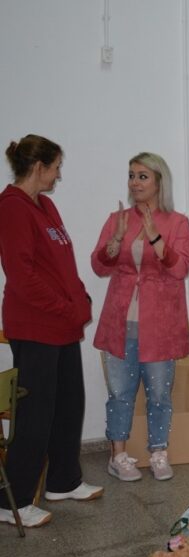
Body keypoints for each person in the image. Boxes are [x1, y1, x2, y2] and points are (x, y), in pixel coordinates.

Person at [0, 134, 102, 528]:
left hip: (62, 326)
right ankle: (15, 501)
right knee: (35, 413)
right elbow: (22, 275)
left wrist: (81, 302)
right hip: (36, 325)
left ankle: (63, 481)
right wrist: (63, 307)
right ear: (38, 167)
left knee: (69, 405)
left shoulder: (47, 206)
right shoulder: (12, 208)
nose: (59, 175)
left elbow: (63, 264)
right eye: (56, 167)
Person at [91, 153, 189, 482]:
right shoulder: (117, 218)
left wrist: (154, 236)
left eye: (142, 176)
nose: (135, 182)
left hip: (160, 325)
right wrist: (117, 238)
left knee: (160, 394)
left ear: (159, 182)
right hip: (120, 322)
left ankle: (158, 452)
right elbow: (99, 265)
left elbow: (180, 268)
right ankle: (117, 456)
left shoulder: (177, 222)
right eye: (132, 176)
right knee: (120, 393)